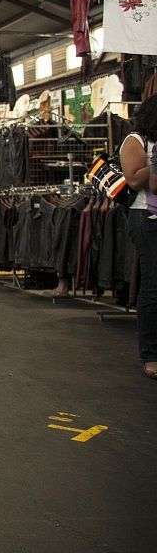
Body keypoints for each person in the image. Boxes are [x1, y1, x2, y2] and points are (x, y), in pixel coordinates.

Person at [121, 95, 157, 379]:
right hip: (146, 216)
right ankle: (151, 355)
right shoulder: (136, 141)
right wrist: (155, 164)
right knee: (153, 285)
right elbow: (133, 179)